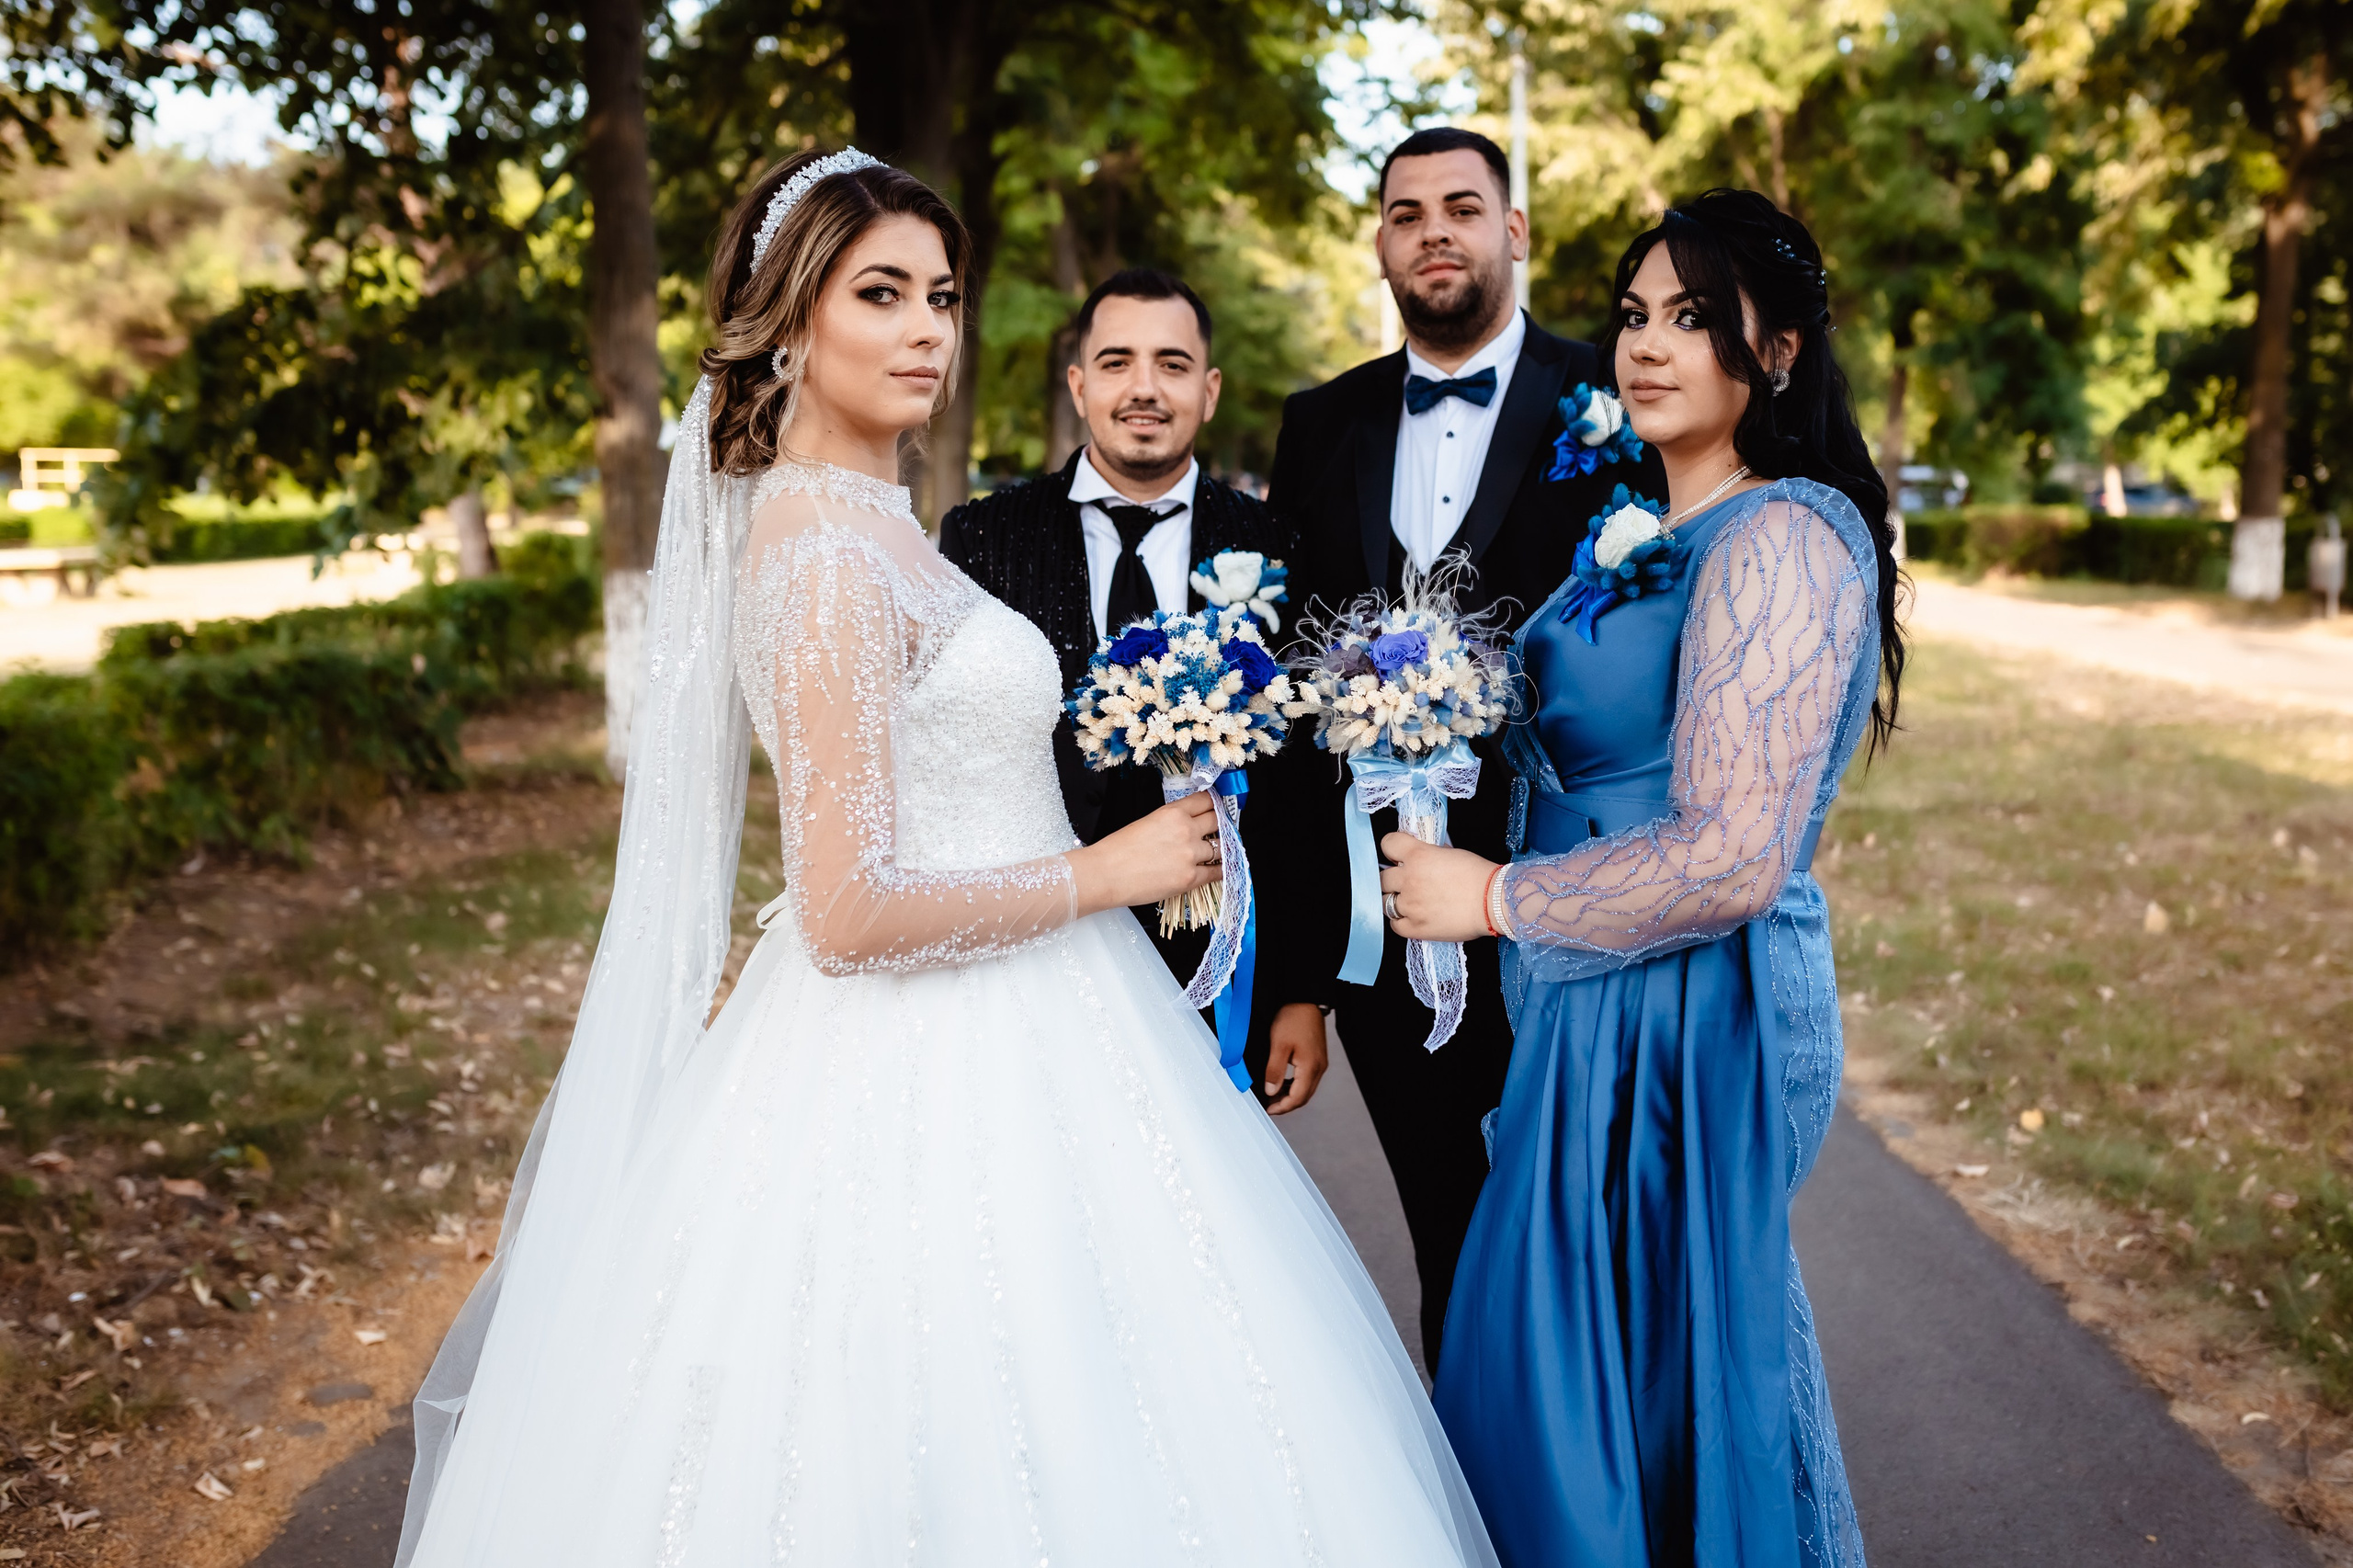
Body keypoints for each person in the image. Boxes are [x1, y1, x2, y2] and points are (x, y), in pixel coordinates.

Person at [392, 148, 1497, 1568]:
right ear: (792, 322)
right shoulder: (816, 552)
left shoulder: (880, 522)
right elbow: (846, 910)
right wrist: (1115, 872)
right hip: (919, 1052)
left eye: (944, 295)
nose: (927, 328)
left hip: (1053, 1007)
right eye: (882, 293)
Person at [1381, 187, 1903, 1566]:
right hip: (1586, 1000)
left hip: (1695, 1015)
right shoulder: (1644, 525)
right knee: (1572, 1381)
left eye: (1692, 317)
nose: (1647, 345)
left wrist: (1489, 897)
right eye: (1632, 316)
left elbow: (1734, 853)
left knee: (1661, 1384)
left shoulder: (1781, 535)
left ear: (1777, 351)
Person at [1255, 126, 1665, 1369]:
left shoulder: (1621, 393)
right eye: (1405, 212)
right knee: (1451, 1236)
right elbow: (1281, 708)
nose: (1434, 229)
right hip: (1383, 926)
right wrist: (1299, 977)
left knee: (1598, 1235)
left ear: (1513, 232)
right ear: (1379, 243)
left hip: (1564, 901)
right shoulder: (1317, 423)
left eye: (1462, 207)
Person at [939, 270, 1324, 1109]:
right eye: (1117, 362)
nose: (1144, 388)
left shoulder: (1279, 544)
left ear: (1209, 390)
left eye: (1172, 364)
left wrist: (1301, 991)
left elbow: (1300, 788)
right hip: (1043, 936)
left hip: (1221, 955)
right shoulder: (982, 537)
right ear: (1079, 385)